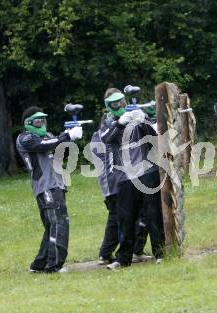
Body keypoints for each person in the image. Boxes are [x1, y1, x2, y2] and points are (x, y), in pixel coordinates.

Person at [100, 89, 165, 269]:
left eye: (122, 101)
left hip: (147, 172)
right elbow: (106, 138)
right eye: (115, 103)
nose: (120, 105)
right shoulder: (107, 123)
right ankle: (123, 259)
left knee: (153, 214)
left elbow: (156, 137)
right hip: (124, 177)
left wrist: (143, 120)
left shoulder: (137, 115)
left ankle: (160, 253)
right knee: (126, 219)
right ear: (108, 106)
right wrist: (120, 123)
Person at [16, 106, 83, 273]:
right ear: (29, 123)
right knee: (59, 224)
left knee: (52, 225)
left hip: (57, 184)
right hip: (45, 186)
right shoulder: (25, 138)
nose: (42, 124)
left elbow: (62, 153)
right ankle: (54, 266)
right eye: (38, 121)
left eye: (43, 120)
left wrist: (71, 139)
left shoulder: (49, 136)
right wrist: (66, 135)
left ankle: (38, 265)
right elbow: (43, 146)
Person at [90, 103, 152, 265]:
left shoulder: (114, 132)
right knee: (117, 219)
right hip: (113, 184)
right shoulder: (103, 136)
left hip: (122, 181)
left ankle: (135, 250)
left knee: (138, 215)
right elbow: (108, 164)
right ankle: (105, 253)